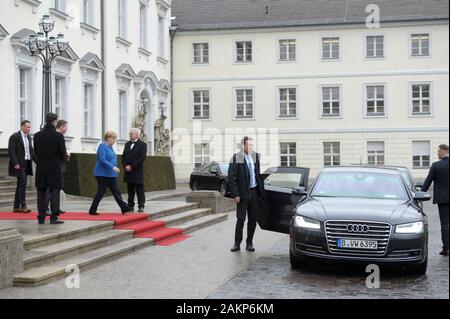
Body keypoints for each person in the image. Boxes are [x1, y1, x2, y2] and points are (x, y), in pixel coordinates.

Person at [228, 136, 266, 252]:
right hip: (243, 194)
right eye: (248, 145)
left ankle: (249, 242)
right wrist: (236, 194)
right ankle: (237, 243)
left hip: (254, 192)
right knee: (240, 219)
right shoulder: (237, 158)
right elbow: (232, 178)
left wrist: (261, 191)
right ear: (243, 145)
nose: (250, 147)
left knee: (253, 219)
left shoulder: (255, 156)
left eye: (252, 145)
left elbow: (257, 174)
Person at [33, 113, 67, 225]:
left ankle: (41, 217)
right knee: (54, 192)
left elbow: (36, 152)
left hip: (41, 168)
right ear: (54, 122)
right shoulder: (58, 136)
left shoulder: (37, 135)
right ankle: (53, 217)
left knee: (41, 193)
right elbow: (63, 153)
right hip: (54, 168)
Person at [89, 131, 130, 215]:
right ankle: (92, 210)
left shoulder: (110, 147)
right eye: (113, 139)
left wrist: (113, 169)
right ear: (108, 138)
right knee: (101, 192)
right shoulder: (102, 146)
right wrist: (113, 167)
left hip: (111, 174)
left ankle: (124, 208)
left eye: (115, 139)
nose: (115, 141)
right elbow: (102, 160)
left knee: (117, 192)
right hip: (102, 174)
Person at [421, 144, 449, 256]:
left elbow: (428, 182)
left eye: (438, 151)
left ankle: (446, 248)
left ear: (443, 151)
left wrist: (420, 193)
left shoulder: (436, 166)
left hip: (442, 200)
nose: (437, 153)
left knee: (445, 224)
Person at [8, 120, 36, 213]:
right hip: (18, 164)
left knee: (20, 184)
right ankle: (23, 205)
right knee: (23, 183)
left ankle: (16, 207)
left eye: (30, 127)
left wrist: (38, 162)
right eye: (28, 127)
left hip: (26, 163)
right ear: (22, 127)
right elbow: (11, 151)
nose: (29, 129)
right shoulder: (14, 137)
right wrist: (15, 163)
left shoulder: (28, 137)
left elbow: (31, 150)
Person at [45, 119, 70, 215]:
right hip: (56, 165)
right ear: (61, 126)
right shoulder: (57, 136)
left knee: (58, 187)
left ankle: (56, 207)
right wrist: (65, 155)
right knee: (51, 188)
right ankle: (46, 207)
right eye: (66, 126)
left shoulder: (59, 136)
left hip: (60, 165)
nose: (67, 129)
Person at [122, 128, 147, 212]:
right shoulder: (127, 144)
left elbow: (142, 158)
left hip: (137, 171)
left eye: (131, 133)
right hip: (128, 171)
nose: (129, 135)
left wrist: (132, 167)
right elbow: (123, 156)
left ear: (137, 134)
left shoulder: (143, 145)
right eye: (129, 133)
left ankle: (141, 205)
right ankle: (130, 205)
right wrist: (126, 166)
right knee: (130, 190)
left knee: (139, 190)